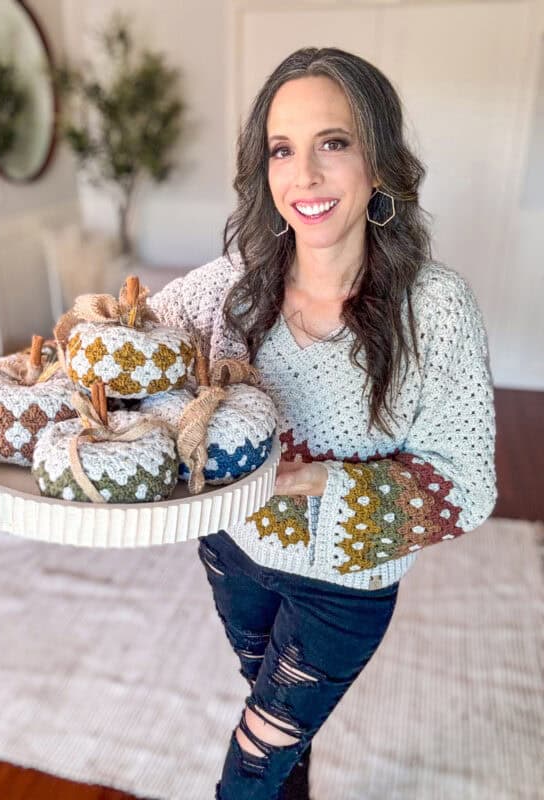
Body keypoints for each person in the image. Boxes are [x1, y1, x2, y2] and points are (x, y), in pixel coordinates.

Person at [148, 45, 497, 800]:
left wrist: (305, 479)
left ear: (378, 162)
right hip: (231, 552)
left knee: (248, 765)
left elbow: (468, 485)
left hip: (344, 587)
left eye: (332, 144)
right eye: (282, 150)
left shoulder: (433, 306)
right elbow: (121, 349)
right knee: (280, 739)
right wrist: (1, 394)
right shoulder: (234, 286)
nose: (303, 176)